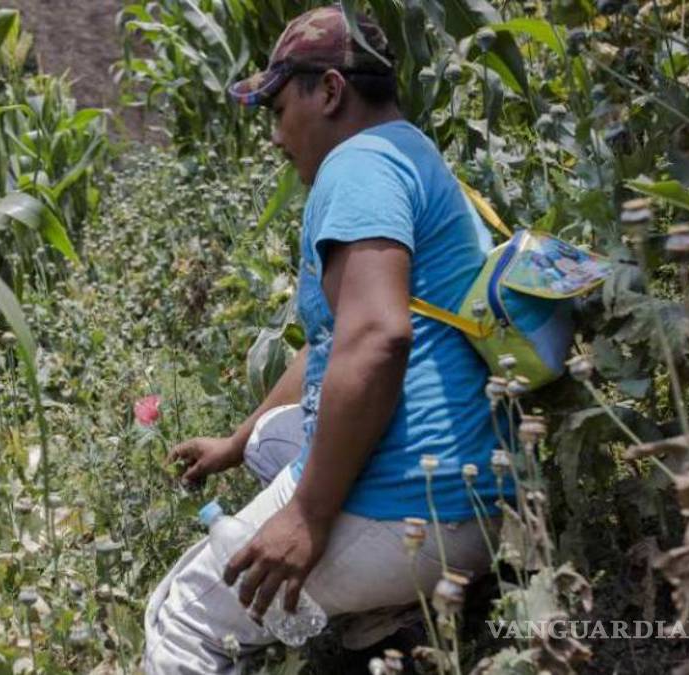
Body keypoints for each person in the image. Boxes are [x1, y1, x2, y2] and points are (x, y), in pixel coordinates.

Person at [142, 7, 514, 673]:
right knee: (270, 438)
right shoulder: (412, 153)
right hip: (480, 485)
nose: (277, 136)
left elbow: (375, 340)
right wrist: (234, 441)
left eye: (280, 108)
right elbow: (332, 342)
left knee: (183, 616)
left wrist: (306, 517)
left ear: (331, 92)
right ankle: (382, 610)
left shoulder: (356, 167)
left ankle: (380, 579)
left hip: (420, 508)